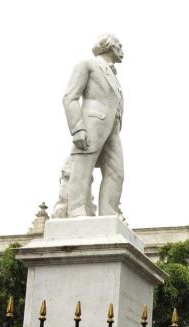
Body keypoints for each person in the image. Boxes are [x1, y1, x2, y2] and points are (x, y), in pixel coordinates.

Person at [61, 33, 125, 217]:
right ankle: (77, 209)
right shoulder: (87, 65)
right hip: (91, 125)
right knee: (82, 168)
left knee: (117, 172)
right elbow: (69, 98)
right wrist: (77, 128)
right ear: (109, 46)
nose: (122, 51)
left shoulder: (115, 76)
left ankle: (109, 213)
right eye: (119, 46)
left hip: (113, 130)